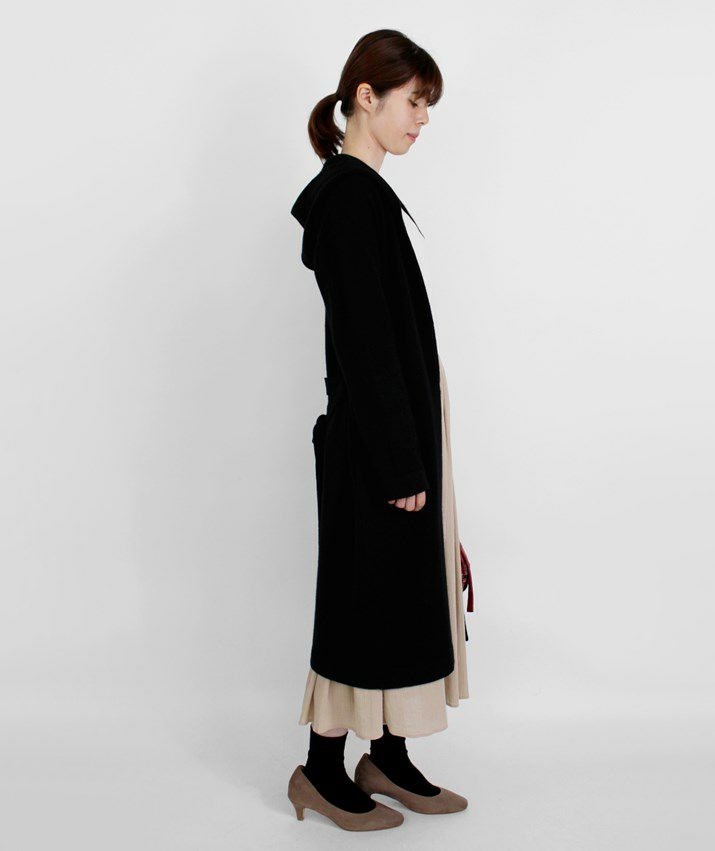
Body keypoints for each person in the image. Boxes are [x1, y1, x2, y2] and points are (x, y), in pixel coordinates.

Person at [287, 29, 475, 831]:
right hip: (376, 450)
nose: (422, 119)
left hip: (396, 441)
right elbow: (365, 346)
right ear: (365, 97)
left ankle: (386, 758)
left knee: (401, 601)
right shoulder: (347, 200)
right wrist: (401, 465)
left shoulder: (364, 195)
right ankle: (320, 770)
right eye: (413, 102)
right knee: (363, 605)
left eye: (427, 105)